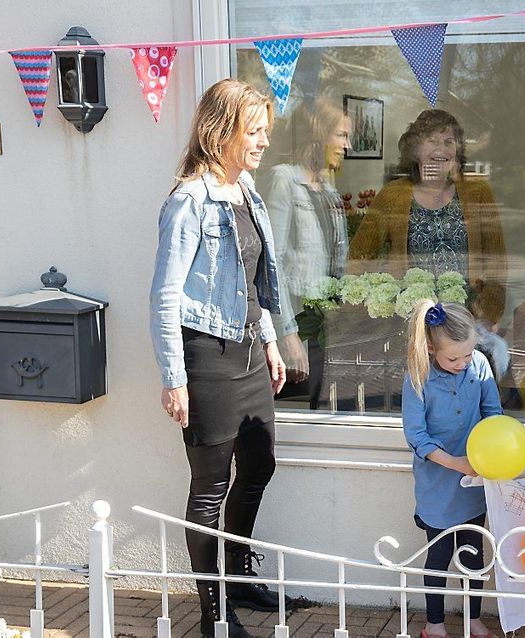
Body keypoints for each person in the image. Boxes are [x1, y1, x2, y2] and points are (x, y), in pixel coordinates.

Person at [149, 78, 290, 638]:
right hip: (206, 356)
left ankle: (236, 575)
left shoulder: (247, 191)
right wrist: (174, 377)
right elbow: (165, 295)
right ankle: (213, 612)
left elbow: (252, 282)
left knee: (260, 465)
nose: (261, 142)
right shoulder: (187, 201)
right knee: (210, 486)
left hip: (250, 349)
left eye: (264, 132)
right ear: (221, 131)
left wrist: (273, 340)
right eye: (253, 131)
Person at [348, 109, 509, 375]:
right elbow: (359, 257)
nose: (442, 148)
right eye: (432, 140)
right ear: (415, 149)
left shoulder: (477, 191)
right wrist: (380, 302)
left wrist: (488, 315)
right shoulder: (393, 195)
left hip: (466, 321)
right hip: (413, 323)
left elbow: (497, 261)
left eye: (449, 141)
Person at [401, 300, 502, 638]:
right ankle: (435, 624)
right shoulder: (418, 376)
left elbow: (494, 413)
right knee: (440, 556)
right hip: (438, 483)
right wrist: (454, 462)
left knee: (474, 554)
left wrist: (496, 454)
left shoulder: (480, 366)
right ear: (431, 348)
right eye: (453, 358)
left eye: (468, 355)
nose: (462, 364)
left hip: (475, 481)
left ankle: (472, 618)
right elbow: (416, 436)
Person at [265, 98, 351, 405]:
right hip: (297, 321)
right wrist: (288, 335)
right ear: (319, 135)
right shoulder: (285, 180)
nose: (347, 145)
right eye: (341, 135)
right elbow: (270, 263)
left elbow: (335, 263)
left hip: (324, 323)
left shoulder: (328, 189)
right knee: (296, 412)